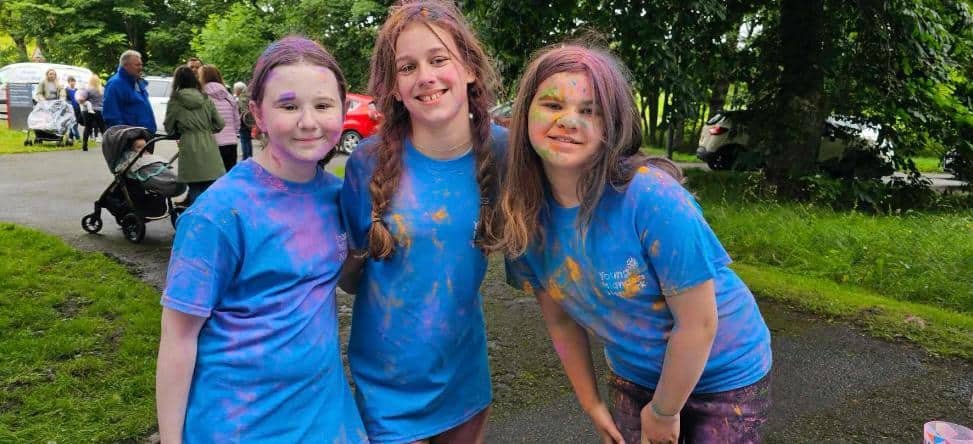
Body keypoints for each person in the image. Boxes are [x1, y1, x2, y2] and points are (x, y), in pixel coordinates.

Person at [492, 43, 774, 444]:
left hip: (726, 374)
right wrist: (591, 405)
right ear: (524, 116)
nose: (569, 120)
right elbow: (560, 320)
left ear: (612, 126)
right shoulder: (523, 217)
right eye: (552, 105)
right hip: (634, 374)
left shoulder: (651, 197)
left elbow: (699, 323)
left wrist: (664, 412)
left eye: (590, 110)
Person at [156, 36, 366, 443]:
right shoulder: (218, 215)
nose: (308, 121)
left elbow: (342, 279)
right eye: (288, 106)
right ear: (258, 115)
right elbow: (178, 338)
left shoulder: (337, 196)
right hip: (240, 425)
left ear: (342, 110)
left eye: (323, 105)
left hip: (326, 418)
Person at [338, 1, 507, 442]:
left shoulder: (505, 153)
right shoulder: (366, 163)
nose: (426, 76)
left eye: (438, 59)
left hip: (463, 378)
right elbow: (353, 275)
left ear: (469, 68)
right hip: (386, 383)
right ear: (393, 87)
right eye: (407, 67)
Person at [162, 66, 225, 204]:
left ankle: (197, 221)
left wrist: (180, 131)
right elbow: (220, 124)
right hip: (209, 146)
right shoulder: (205, 98)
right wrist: (206, 129)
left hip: (189, 147)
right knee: (211, 189)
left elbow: (169, 127)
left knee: (195, 188)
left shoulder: (176, 100)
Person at [103, 50, 156, 133]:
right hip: (131, 139)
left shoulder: (137, 82)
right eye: (137, 65)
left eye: (141, 65)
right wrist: (128, 136)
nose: (140, 68)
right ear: (126, 66)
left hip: (145, 135)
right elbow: (112, 115)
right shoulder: (115, 84)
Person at [200, 64, 241, 171]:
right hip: (230, 143)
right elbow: (237, 122)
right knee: (227, 178)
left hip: (211, 144)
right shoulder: (229, 97)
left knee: (210, 179)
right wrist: (232, 134)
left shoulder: (201, 97)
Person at [78, 74, 106, 151]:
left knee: (87, 127)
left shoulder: (87, 89)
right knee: (103, 128)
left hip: (87, 111)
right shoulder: (103, 89)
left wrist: (84, 102)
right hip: (99, 110)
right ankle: (108, 145)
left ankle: (85, 145)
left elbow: (81, 99)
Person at [232, 82, 254, 160]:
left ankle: (246, 158)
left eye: (235, 89)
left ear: (239, 90)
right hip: (250, 121)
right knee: (248, 140)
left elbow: (240, 111)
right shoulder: (249, 96)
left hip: (243, 122)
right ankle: (250, 157)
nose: (234, 91)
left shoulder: (240, 98)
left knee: (244, 140)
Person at [64, 76, 82, 143]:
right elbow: (65, 99)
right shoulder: (66, 90)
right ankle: (78, 137)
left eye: (73, 81)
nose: (72, 83)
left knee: (76, 123)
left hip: (77, 108)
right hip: (70, 108)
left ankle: (71, 137)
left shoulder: (77, 90)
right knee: (72, 123)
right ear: (68, 82)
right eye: (71, 81)